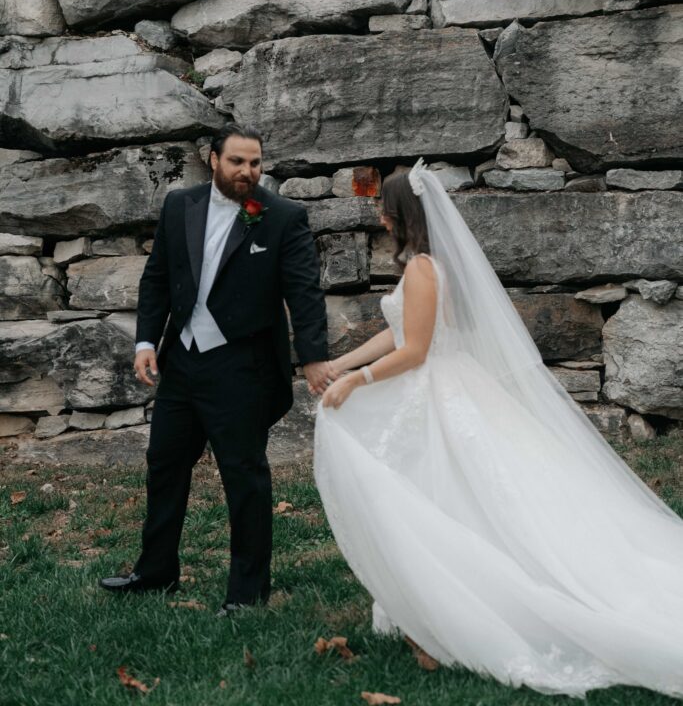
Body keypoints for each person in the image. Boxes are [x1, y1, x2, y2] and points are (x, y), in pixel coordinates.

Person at [314, 159, 683, 698]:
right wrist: (342, 363)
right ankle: (431, 598)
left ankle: (465, 602)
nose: (377, 214)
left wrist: (357, 382)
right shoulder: (430, 265)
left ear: (399, 212)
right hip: (451, 383)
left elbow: (415, 351)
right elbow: (399, 333)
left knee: (456, 495)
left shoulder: (421, 269)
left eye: (381, 206)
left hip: (437, 389)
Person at [100, 123, 333, 611]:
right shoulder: (179, 205)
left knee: (243, 477)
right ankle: (155, 571)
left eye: (255, 163)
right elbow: (158, 277)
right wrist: (146, 341)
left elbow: (304, 293)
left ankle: (247, 593)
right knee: (164, 466)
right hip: (181, 362)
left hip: (242, 369)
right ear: (213, 159)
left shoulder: (282, 217)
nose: (248, 171)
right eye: (237, 162)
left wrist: (313, 358)